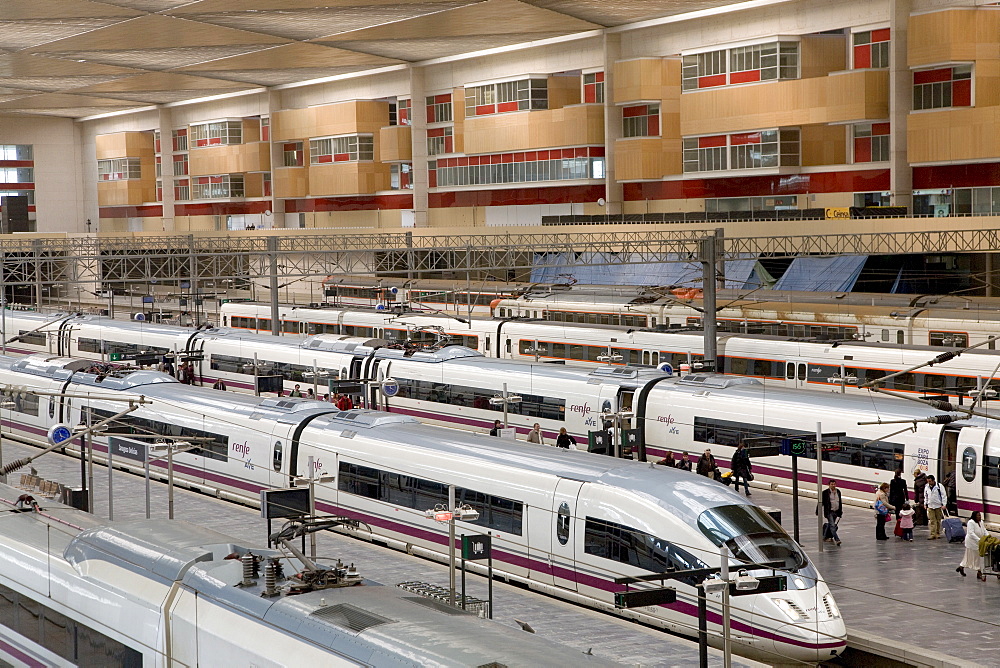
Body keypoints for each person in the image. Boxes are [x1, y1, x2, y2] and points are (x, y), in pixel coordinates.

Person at [957, 511, 990, 580]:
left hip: (979, 542)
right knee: (977, 558)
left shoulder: (981, 522)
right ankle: (979, 571)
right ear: (974, 516)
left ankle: (961, 566)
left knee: (969, 557)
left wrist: (988, 536)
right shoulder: (971, 522)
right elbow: (971, 533)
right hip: (972, 543)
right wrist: (979, 540)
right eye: (978, 516)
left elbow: (984, 530)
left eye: (980, 515)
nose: (979, 517)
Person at [924, 474, 948, 539]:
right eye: (928, 481)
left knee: (938, 520)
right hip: (930, 505)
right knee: (932, 520)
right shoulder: (926, 487)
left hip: (938, 505)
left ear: (933, 480)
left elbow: (944, 495)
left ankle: (937, 532)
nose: (929, 483)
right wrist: (925, 503)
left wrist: (944, 504)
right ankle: (932, 534)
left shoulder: (940, 486)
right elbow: (926, 496)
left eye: (930, 481)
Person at [821, 480, 843, 546]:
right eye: (832, 484)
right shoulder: (825, 492)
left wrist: (840, 511)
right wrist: (817, 511)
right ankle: (837, 540)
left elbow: (840, 502)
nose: (833, 485)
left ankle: (824, 537)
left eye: (834, 484)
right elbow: (821, 502)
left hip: (836, 511)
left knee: (830, 525)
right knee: (833, 526)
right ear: (829, 485)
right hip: (829, 512)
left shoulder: (838, 491)